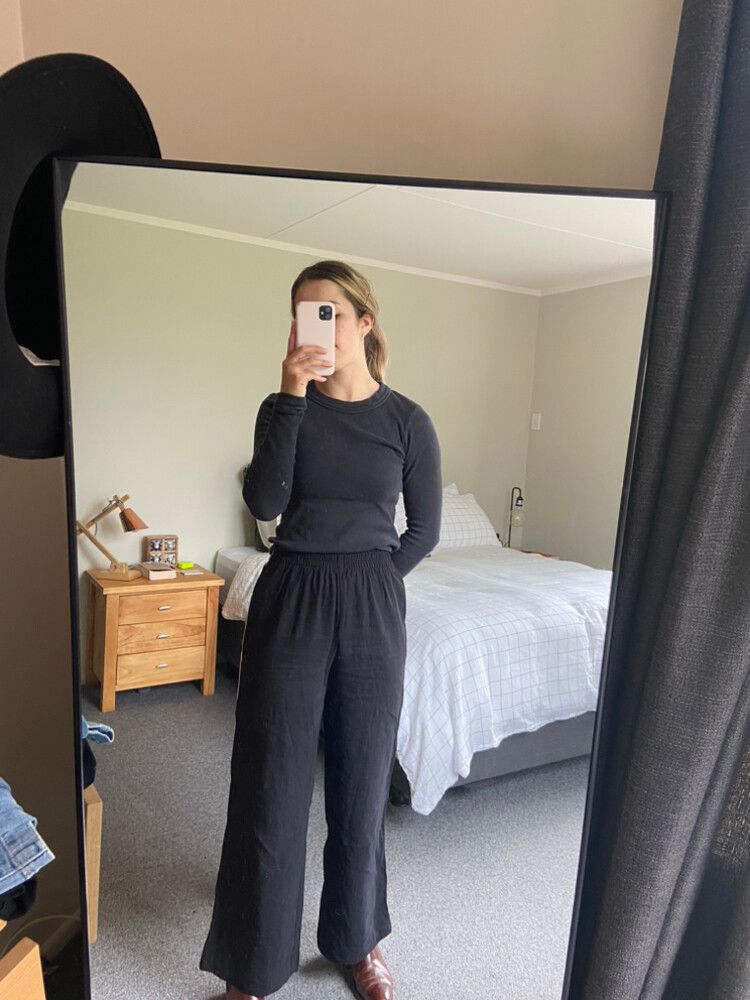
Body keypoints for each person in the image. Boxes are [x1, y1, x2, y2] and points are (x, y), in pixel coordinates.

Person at [199, 259, 442, 999]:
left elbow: (424, 530)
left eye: (330, 312)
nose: (318, 327)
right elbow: (266, 502)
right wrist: (291, 392)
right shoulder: (284, 407)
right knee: (270, 782)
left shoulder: (407, 421)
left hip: (371, 604)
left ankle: (356, 940)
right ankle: (253, 962)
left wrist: (373, 581)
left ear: (365, 322)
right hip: (292, 593)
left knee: (362, 781)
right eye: (305, 313)